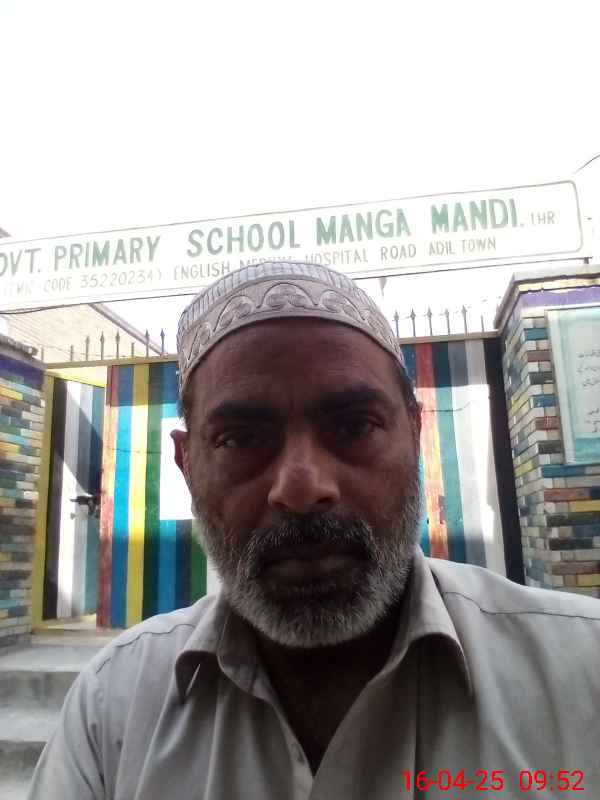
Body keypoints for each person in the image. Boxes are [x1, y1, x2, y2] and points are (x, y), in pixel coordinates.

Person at [29, 261, 600, 799]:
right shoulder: (115, 704)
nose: (302, 490)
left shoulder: (581, 670)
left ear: (414, 435)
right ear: (186, 464)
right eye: (241, 439)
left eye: (354, 426)